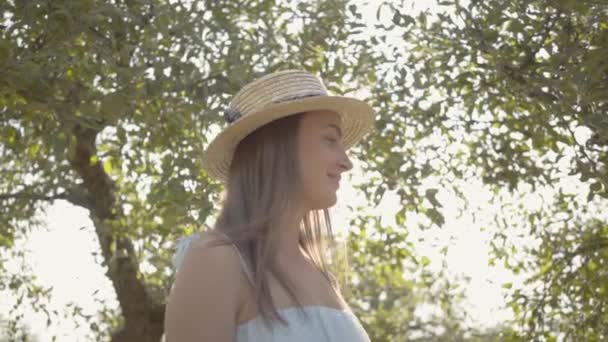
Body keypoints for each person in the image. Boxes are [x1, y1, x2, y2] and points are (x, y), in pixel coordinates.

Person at [164, 69, 374, 341]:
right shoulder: (217, 260)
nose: (347, 162)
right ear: (278, 148)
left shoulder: (324, 277)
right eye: (330, 140)